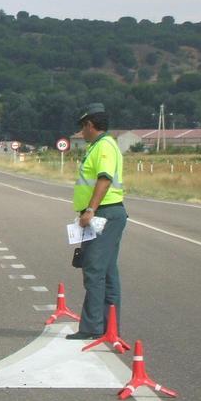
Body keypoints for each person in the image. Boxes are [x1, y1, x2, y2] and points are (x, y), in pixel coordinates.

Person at [67, 102, 127, 340]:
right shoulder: (101, 146)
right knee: (108, 272)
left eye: (83, 127)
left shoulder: (103, 147)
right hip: (107, 213)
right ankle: (108, 327)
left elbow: (104, 179)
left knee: (93, 269)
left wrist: (90, 210)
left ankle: (92, 327)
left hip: (104, 213)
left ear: (90, 125)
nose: (82, 133)